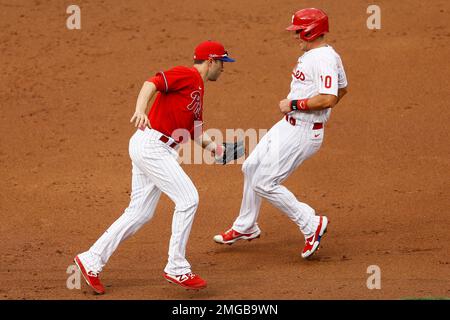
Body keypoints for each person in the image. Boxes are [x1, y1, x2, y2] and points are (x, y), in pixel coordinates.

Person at [74, 40, 235, 293]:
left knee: (139, 213)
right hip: (152, 146)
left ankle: (90, 259)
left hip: (157, 148)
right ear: (211, 61)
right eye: (222, 63)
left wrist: (216, 149)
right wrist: (141, 110)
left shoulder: (198, 88)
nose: (224, 69)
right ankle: (177, 267)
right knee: (189, 198)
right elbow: (152, 82)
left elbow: (194, 129)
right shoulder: (186, 74)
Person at [214, 8, 348, 259]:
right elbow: (342, 89)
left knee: (265, 182)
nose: (296, 36)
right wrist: (307, 110)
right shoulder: (322, 54)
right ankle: (246, 226)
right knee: (251, 167)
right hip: (288, 125)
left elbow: (330, 97)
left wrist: (299, 106)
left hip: (302, 131)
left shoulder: (321, 59)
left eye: (298, 31)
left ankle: (310, 223)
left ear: (311, 31)